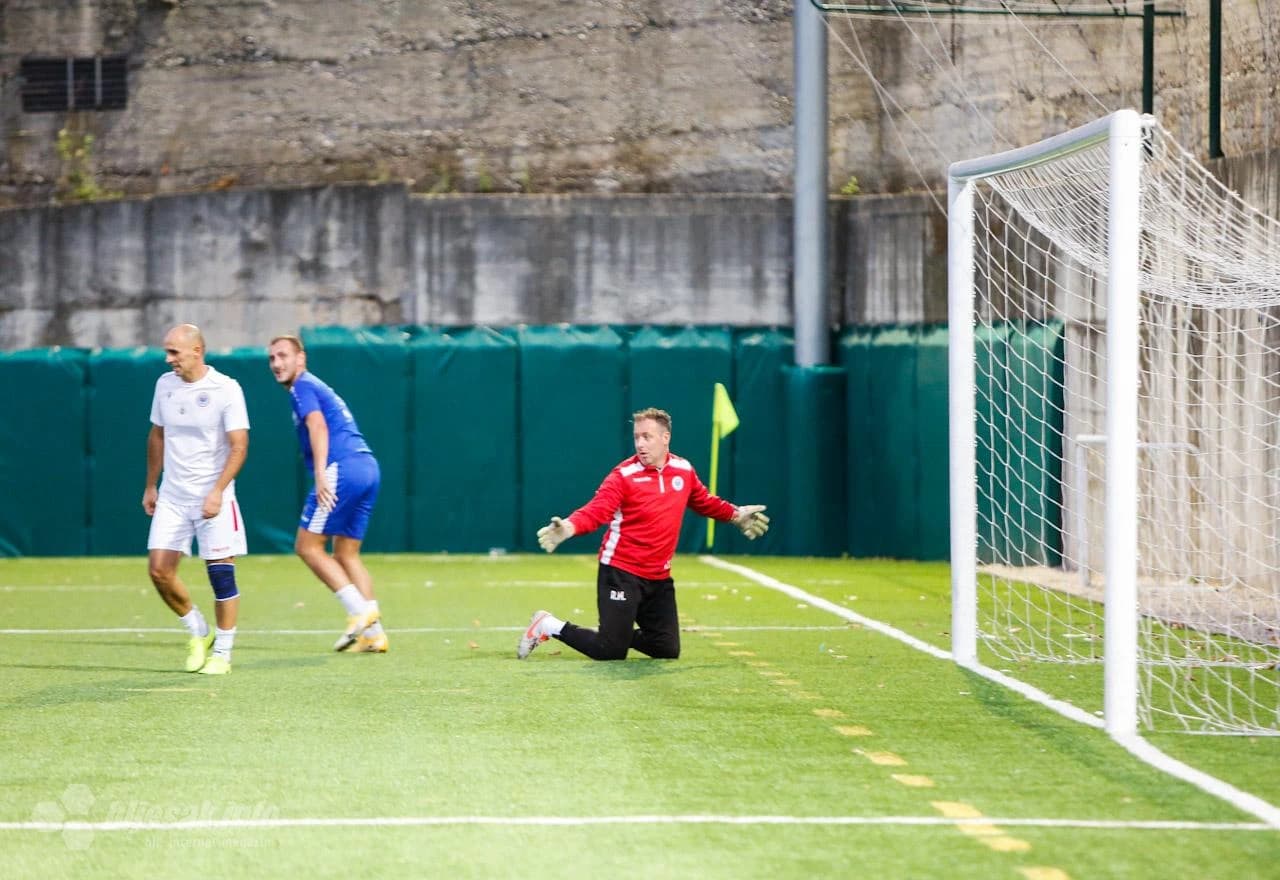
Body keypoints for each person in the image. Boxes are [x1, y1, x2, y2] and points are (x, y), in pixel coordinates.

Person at [518, 407, 770, 661]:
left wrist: (736, 515)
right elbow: (597, 510)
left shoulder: (684, 470)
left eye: (647, 436)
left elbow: (704, 501)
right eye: (637, 437)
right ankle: (547, 624)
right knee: (610, 651)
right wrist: (569, 527)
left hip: (658, 577)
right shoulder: (623, 476)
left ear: (665, 438)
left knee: (666, 649)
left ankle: (613, 634)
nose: (640, 443)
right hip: (620, 572)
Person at [267, 334, 388, 653]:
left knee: (307, 547)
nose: (277, 364)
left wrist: (321, 473)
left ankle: (360, 612)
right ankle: (374, 635)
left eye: (283, 356)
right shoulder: (314, 386)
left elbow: (317, 426)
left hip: (342, 468)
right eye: (272, 359)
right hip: (367, 466)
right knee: (346, 554)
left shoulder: (302, 387)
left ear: (301, 359)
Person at [143, 323, 249, 675]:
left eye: (174, 352)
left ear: (197, 351)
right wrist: (151, 485)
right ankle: (197, 630)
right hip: (173, 495)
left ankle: (224, 652)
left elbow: (239, 446)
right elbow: (157, 435)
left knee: (221, 578)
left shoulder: (226, 389)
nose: (168, 358)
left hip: (213, 496)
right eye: (167, 351)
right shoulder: (164, 385)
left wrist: (218, 491)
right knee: (159, 570)